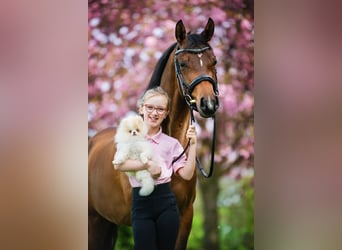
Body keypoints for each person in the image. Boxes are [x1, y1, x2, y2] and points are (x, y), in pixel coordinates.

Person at [113, 86, 198, 250]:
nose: (154, 113)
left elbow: (187, 175)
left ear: (166, 114)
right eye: (150, 107)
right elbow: (118, 164)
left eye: (160, 109)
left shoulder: (171, 143)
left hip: (166, 203)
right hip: (141, 204)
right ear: (141, 109)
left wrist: (193, 145)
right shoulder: (129, 137)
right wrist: (146, 164)